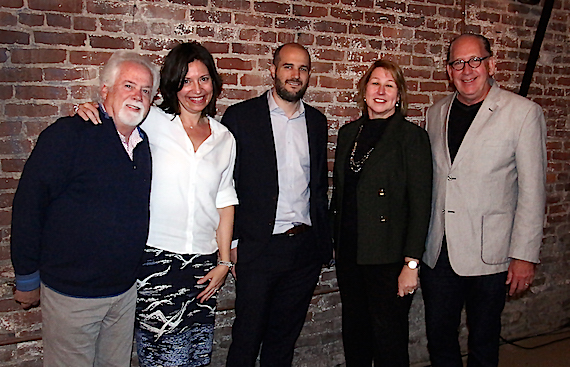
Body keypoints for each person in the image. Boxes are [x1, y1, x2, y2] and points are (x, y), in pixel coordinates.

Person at [76, 42, 238, 367]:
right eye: (186, 80)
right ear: (172, 84)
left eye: (204, 79)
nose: (196, 89)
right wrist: (89, 108)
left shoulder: (224, 138)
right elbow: (119, 112)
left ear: (214, 83)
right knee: (163, 359)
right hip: (157, 263)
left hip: (205, 266)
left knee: (197, 355)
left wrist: (224, 263)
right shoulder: (153, 122)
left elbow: (225, 200)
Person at [10, 51, 157, 366]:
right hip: (72, 295)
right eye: (128, 85)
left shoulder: (144, 145)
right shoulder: (69, 134)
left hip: (123, 293)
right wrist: (26, 278)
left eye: (145, 91)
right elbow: (28, 205)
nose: (138, 96)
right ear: (104, 91)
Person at [421, 33, 547, 367]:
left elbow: (533, 190)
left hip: (490, 253)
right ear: (449, 71)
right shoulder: (434, 113)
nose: (467, 70)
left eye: (474, 60)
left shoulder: (523, 114)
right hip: (439, 252)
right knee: (439, 338)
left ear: (491, 63)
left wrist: (524, 255)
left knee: (484, 340)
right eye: (458, 63)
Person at [222, 43, 332, 367]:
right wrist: (234, 244)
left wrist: (322, 243)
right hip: (258, 249)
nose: (295, 75)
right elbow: (227, 184)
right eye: (288, 67)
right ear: (272, 70)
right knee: (246, 338)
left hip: (303, 250)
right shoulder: (241, 117)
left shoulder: (316, 122)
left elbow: (318, 186)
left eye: (303, 69)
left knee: (283, 343)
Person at [330, 59, 432, 366]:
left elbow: (420, 203)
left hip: (389, 259)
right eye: (375, 83)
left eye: (390, 85)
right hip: (351, 254)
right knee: (356, 335)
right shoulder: (349, 133)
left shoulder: (412, 138)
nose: (381, 91)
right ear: (364, 91)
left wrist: (411, 263)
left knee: (389, 341)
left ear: (398, 95)